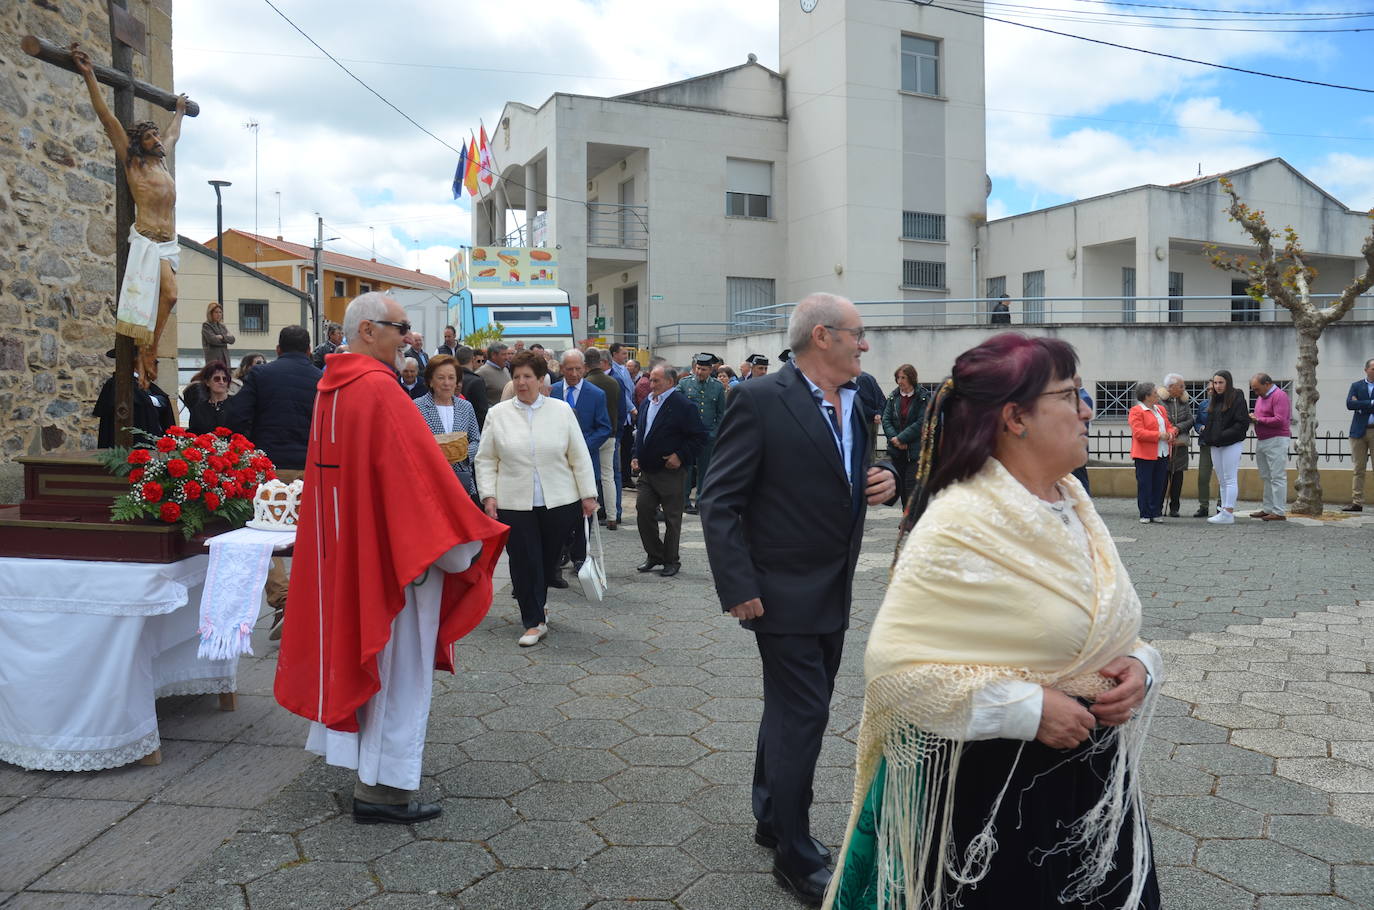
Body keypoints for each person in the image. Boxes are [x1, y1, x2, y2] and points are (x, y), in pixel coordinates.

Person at [826, 332, 1162, 910]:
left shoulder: (1072, 504)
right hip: (988, 803)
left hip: (1092, 781)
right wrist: (1028, 709)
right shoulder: (959, 523)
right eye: (1071, 395)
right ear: (1016, 417)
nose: (1086, 410)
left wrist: (1139, 665)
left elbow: (1103, 625)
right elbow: (897, 672)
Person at [274, 292, 506, 826]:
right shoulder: (380, 392)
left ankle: (366, 770)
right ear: (365, 332)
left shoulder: (332, 389)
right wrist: (465, 542)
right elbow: (419, 484)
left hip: (353, 555)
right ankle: (384, 789)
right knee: (399, 672)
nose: (408, 337)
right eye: (399, 327)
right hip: (397, 564)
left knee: (372, 664)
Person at [699, 293, 898, 907]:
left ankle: (768, 814)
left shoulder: (861, 399)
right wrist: (739, 587)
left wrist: (888, 479)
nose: (865, 345)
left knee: (790, 710)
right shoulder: (759, 399)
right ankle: (795, 852)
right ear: (822, 336)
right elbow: (719, 500)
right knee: (804, 714)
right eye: (857, 334)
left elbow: (859, 473)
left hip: (833, 587)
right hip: (779, 593)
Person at [72, 44, 188, 385]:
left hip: (168, 244)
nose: (157, 139)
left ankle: (146, 347)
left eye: (156, 135)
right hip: (148, 240)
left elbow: (174, 133)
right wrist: (90, 74)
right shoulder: (133, 163)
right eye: (150, 136)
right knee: (170, 294)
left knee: (164, 297)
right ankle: (147, 349)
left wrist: (179, 110)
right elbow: (108, 119)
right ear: (141, 143)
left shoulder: (162, 161)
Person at [475, 351, 598, 646]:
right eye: (516, 376)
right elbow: (486, 459)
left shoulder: (561, 410)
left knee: (546, 560)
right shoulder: (498, 414)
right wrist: (488, 495)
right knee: (523, 560)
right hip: (514, 502)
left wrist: (588, 494)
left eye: (527, 376)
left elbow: (578, 454)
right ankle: (533, 621)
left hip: (559, 500)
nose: (521, 382)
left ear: (541, 379)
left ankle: (538, 604)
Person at [226, 325, 321, 639]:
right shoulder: (322, 380)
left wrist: (252, 448)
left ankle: (282, 599)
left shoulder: (261, 376)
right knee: (312, 539)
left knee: (267, 536)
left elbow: (236, 417)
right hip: (313, 467)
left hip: (271, 468)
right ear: (309, 351)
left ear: (278, 349)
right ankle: (309, 602)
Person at [633, 365, 708, 577]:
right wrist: (635, 455)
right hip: (647, 471)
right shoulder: (648, 401)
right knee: (643, 510)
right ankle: (655, 554)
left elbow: (700, 436)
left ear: (670, 382)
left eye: (656, 381)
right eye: (651, 380)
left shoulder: (683, 405)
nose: (652, 385)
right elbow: (642, 432)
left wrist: (680, 456)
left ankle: (672, 560)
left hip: (670, 473)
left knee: (672, 518)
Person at [550, 350, 612, 581]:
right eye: (569, 369)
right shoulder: (552, 392)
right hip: (556, 465)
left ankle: (580, 557)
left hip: (585, 463)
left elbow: (604, 427)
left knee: (582, 514)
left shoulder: (596, 394)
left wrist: (581, 447)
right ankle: (557, 558)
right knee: (557, 514)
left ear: (585, 368)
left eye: (578, 369)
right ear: (562, 369)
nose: (574, 373)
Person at [414, 354, 481, 501]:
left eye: (451, 378)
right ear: (430, 381)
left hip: (461, 481)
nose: (447, 383)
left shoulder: (466, 407)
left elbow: (476, 439)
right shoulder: (416, 407)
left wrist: (462, 455)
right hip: (429, 481)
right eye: (441, 378)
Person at [93, 349, 175, 448]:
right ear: (138, 360)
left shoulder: (146, 385)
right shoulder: (116, 383)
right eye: (149, 358)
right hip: (129, 445)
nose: (154, 363)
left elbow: (163, 401)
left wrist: (154, 400)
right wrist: (151, 400)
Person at [678, 353, 727, 515]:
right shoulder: (685, 384)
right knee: (687, 469)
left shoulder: (718, 387)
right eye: (698, 368)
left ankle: (701, 501)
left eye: (704, 369)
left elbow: (722, 413)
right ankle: (684, 501)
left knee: (705, 470)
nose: (700, 372)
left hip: (707, 435)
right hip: (688, 435)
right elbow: (677, 404)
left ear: (710, 369)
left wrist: (715, 432)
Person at [1201, 370, 1250, 524]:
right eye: (1215, 383)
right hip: (1216, 444)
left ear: (1228, 382)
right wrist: (1209, 437)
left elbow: (1241, 423)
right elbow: (1211, 421)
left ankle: (1228, 512)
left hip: (1231, 443)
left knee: (1230, 478)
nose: (1218, 386)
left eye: (1221, 382)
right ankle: (1224, 511)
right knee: (1222, 480)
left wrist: (1219, 436)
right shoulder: (1215, 399)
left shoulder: (1237, 396)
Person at [583, 348, 624, 529]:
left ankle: (589, 514)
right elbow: (621, 410)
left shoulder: (586, 384)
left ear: (585, 364)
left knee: (589, 476)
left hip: (590, 436)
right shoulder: (614, 382)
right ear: (601, 362)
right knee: (609, 476)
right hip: (610, 435)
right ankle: (612, 516)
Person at [881, 364, 930, 505]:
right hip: (897, 451)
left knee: (912, 486)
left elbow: (922, 422)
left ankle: (912, 520)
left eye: (903, 377)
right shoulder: (893, 397)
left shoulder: (922, 397)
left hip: (915, 450)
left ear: (911, 378)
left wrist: (902, 438)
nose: (900, 381)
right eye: (898, 377)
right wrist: (894, 439)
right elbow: (886, 419)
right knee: (901, 486)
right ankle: (906, 518)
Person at [1128, 381, 1176, 524]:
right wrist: (1159, 435)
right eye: (1155, 393)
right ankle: (1145, 512)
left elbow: (1169, 426)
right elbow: (1138, 432)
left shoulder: (1160, 409)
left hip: (1162, 452)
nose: (1158, 395)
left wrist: (1171, 433)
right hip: (1145, 454)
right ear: (1147, 396)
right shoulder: (1137, 411)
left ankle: (1156, 511)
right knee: (1145, 484)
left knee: (1159, 484)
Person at [1249, 373, 1292, 521]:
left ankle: (1279, 511)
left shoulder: (1279, 396)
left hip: (1277, 439)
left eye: (1257, 389)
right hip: (1263, 439)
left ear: (1267, 384)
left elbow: (1280, 420)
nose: (1256, 392)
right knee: (1266, 476)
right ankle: (1268, 508)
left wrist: (1258, 419)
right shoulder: (1262, 396)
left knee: (1277, 476)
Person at [1159, 373, 1195, 518]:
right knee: (1162, 477)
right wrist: (1169, 433)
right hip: (1165, 443)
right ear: (1171, 387)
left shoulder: (1184, 401)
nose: (1183, 389)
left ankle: (1175, 507)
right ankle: (1158, 506)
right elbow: (1160, 420)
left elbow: (1190, 419)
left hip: (1180, 444)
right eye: (1181, 386)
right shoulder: (1160, 402)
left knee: (1177, 477)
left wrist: (1178, 428)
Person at [607, 343, 639, 495]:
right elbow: (621, 394)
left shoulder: (624, 369)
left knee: (627, 446)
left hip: (628, 416)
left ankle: (626, 476)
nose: (626, 356)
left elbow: (630, 389)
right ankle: (622, 476)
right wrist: (631, 407)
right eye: (623, 353)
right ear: (614, 354)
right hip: (623, 412)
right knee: (619, 448)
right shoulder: (613, 371)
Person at [1344, 358, 1374, 512]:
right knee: (1358, 469)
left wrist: (1360, 405)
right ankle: (1357, 502)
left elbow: (1356, 404)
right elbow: (1350, 404)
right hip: (1358, 431)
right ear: (1366, 370)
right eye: (1373, 368)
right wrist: (1371, 403)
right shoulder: (1356, 386)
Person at [186, 361, 234, 435]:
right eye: (217, 379)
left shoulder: (237, 404)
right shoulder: (198, 409)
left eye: (225, 379)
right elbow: (193, 432)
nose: (221, 382)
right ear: (207, 382)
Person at [1193, 395, 1217, 517]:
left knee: (1222, 478)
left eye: (1212, 389)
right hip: (1205, 444)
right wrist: (1200, 428)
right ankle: (1203, 506)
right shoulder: (1203, 405)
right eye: (1208, 390)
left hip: (1221, 445)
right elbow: (1197, 422)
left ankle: (1221, 506)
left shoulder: (1226, 403)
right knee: (1203, 477)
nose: (1210, 391)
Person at [455, 345, 490, 429]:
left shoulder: (453, 378)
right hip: (474, 429)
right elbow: (482, 412)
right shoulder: (477, 381)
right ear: (473, 359)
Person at [1072, 374, 1094, 493]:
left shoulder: (1083, 398)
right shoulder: (1079, 396)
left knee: (1079, 475)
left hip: (1078, 442)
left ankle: (1086, 498)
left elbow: (1082, 423)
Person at [201, 302, 236, 366]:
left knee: (226, 375)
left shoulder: (222, 326)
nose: (219, 314)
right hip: (214, 359)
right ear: (210, 313)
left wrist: (222, 337)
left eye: (220, 312)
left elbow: (232, 339)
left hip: (225, 358)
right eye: (216, 312)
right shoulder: (206, 325)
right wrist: (226, 339)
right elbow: (212, 340)